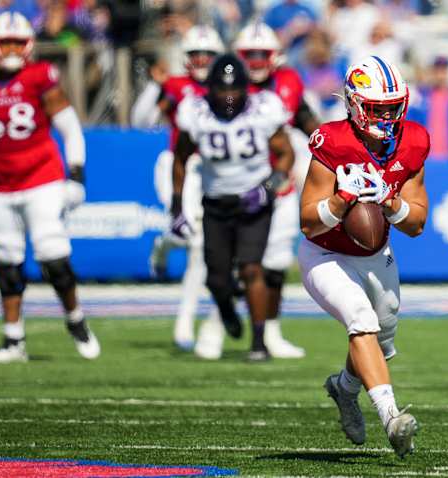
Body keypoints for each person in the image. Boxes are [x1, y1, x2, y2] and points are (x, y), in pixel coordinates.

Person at [0, 12, 99, 363]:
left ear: (29, 44)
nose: (11, 48)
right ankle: (13, 340)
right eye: (5, 42)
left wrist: (76, 176)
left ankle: (75, 319)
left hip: (41, 179)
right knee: (7, 264)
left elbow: (70, 127)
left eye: (17, 42)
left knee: (54, 259)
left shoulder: (39, 77)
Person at [298, 56, 427, 457]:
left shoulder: (414, 140)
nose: (387, 117)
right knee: (361, 319)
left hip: (376, 252)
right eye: (378, 108)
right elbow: (306, 221)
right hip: (325, 253)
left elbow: (417, 222)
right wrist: (339, 204)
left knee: (381, 341)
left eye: (393, 108)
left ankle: (343, 388)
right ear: (354, 104)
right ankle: (391, 418)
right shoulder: (333, 141)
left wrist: (391, 205)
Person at [191, 21, 318, 360]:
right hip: (225, 185)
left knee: (270, 264)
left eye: (264, 54)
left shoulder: (288, 84)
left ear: (276, 55)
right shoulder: (222, 87)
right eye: (250, 54)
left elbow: (308, 124)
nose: (258, 61)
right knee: (225, 268)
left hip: (277, 185)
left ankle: (269, 332)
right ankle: (217, 323)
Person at [171, 53, 295, 361]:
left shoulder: (263, 109)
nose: (228, 97)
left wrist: (268, 188)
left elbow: (286, 155)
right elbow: (180, 159)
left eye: (234, 90)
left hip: (254, 202)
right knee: (217, 279)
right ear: (209, 88)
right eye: (222, 90)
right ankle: (227, 311)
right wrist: (176, 207)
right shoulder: (195, 113)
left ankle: (258, 342)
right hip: (215, 202)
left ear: (245, 88)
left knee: (253, 268)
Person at [131, 25, 224, 351]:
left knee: (199, 244)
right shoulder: (175, 85)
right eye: (195, 54)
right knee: (193, 239)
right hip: (177, 166)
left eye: (207, 54)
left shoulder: (226, 87)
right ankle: (183, 321)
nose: (200, 59)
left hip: (213, 169)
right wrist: (154, 88)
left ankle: (183, 320)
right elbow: (140, 121)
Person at [407, 56, 448, 164]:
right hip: (425, 159)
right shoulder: (420, 97)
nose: (440, 74)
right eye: (437, 70)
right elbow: (409, 124)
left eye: (444, 70)